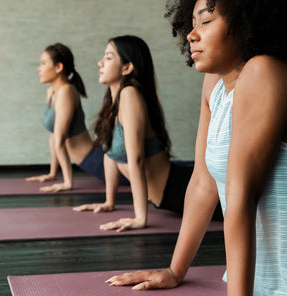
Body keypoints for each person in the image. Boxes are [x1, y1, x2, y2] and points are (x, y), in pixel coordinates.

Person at [105, 0, 287, 295]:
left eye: (206, 21)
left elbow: (242, 194)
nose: (191, 34)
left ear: (246, 24)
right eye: (192, 23)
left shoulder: (265, 72)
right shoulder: (214, 84)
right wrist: (174, 270)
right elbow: (203, 183)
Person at [74, 35, 223, 231]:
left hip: (183, 190)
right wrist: (109, 202)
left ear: (127, 67)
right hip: (171, 195)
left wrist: (139, 218)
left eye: (109, 57)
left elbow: (136, 159)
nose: (99, 62)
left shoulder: (129, 95)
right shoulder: (114, 101)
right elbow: (111, 154)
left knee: (252, 209)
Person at [26, 43, 128, 192]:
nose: (39, 68)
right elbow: (53, 135)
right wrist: (52, 173)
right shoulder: (51, 92)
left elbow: (60, 140)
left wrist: (68, 182)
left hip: (95, 161)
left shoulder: (66, 91)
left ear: (59, 67)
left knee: (152, 175)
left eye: (43, 63)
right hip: (90, 162)